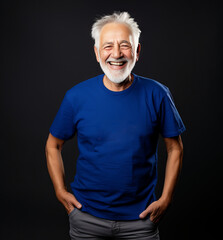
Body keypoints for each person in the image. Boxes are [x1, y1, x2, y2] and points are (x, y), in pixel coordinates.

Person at [45, 11, 186, 240]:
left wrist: (166, 198)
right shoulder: (76, 97)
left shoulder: (158, 94)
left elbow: (175, 148)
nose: (117, 54)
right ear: (97, 53)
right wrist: (60, 191)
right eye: (108, 46)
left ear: (137, 52)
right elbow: (53, 145)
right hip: (86, 218)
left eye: (125, 45)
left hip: (141, 221)